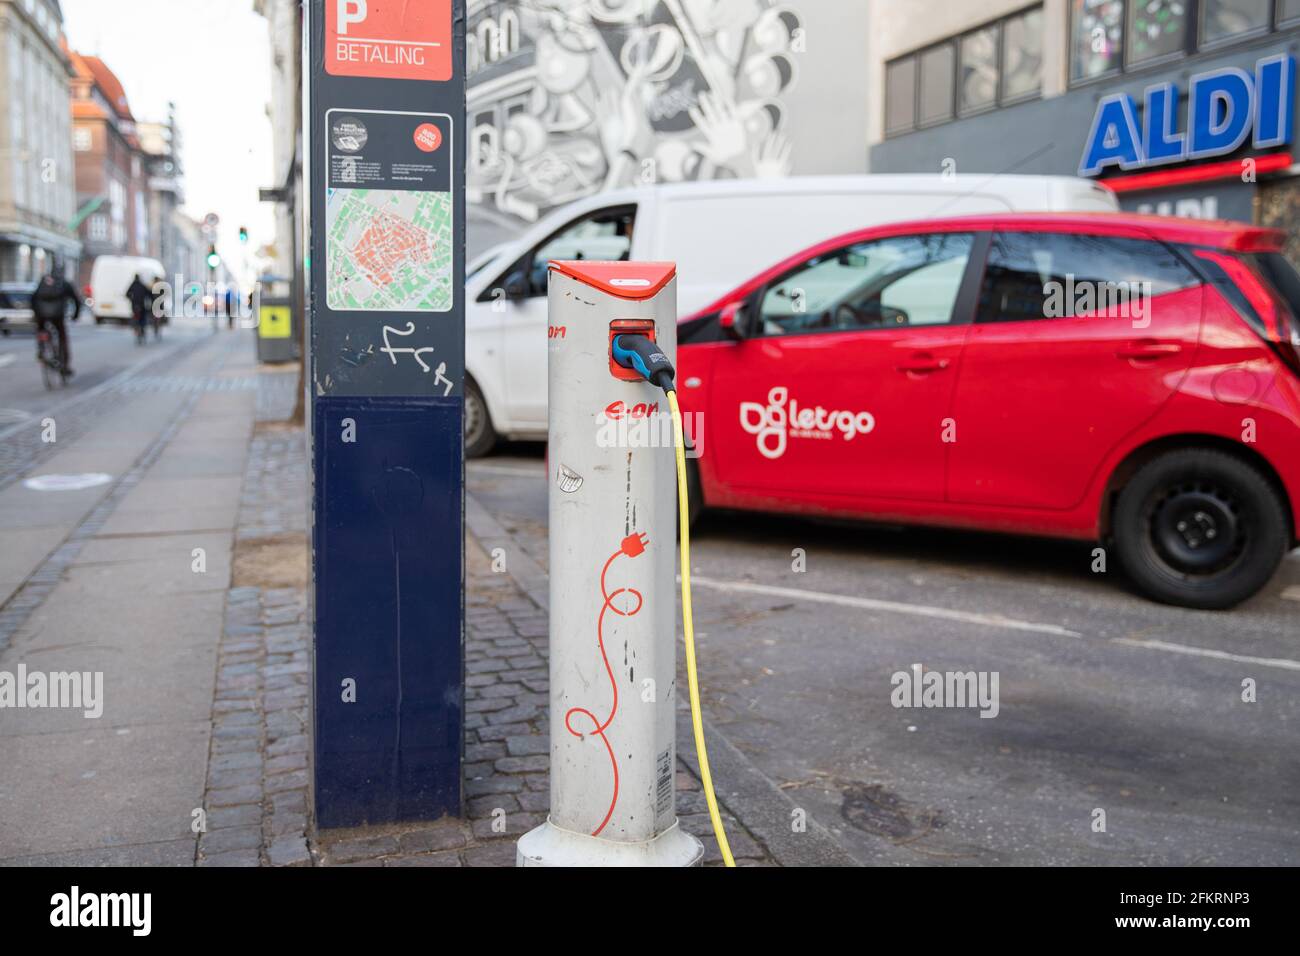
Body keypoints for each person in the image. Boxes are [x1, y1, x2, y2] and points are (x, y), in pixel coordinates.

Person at [31, 262, 82, 375]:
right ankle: (65, 365)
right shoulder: (65, 283)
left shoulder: (44, 281)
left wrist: (35, 313)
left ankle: (41, 349)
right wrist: (75, 315)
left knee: (40, 330)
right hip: (57, 315)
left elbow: (33, 297)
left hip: (41, 314)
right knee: (62, 337)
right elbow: (77, 301)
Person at [126, 273, 153, 344]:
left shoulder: (132, 285)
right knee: (143, 318)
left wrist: (131, 299)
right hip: (142, 305)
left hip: (134, 306)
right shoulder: (142, 285)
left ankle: (136, 328)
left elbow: (127, 294)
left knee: (135, 317)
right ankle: (142, 328)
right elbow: (149, 294)